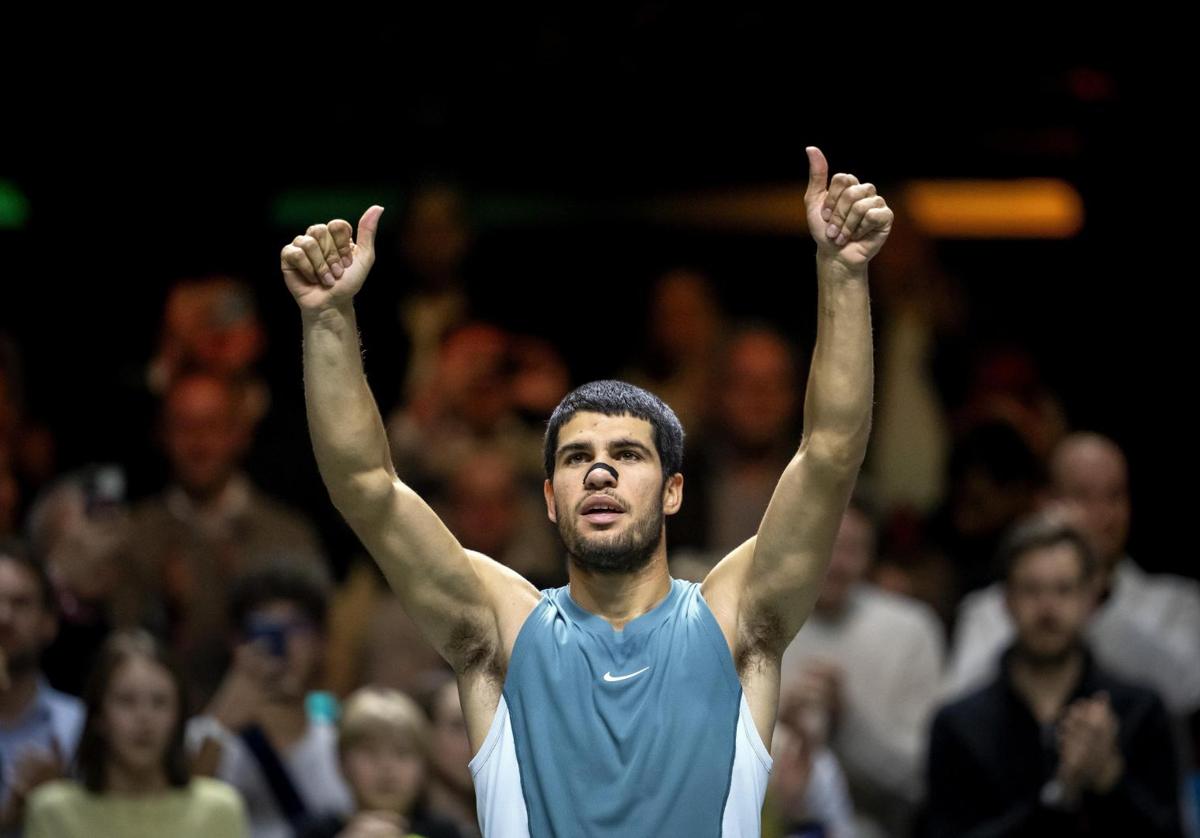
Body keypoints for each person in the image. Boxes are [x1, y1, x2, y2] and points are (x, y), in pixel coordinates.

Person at [281, 146, 889, 837]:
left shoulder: (735, 622)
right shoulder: (499, 631)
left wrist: (842, 274)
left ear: (674, 492)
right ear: (548, 499)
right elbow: (367, 487)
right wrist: (328, 317)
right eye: (576, 458)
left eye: (627, 454)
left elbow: (831, 453)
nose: (600, 471)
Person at [925, 515, 1182, 837]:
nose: (1047, 608)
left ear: (1091, 599)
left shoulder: (1139, 711)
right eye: (1031, 590)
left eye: (1064, 590)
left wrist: (1109, 778)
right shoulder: (958, 724)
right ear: (1006, 601)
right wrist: (1059, 795)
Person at [23, 630, 247, 838]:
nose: (144, 718)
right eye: (126, 701)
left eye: (159, 702)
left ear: (178, 717)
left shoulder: (219, 809)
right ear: (99, 716)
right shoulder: (52, 811)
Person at [0, 542, 84, 835]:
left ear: (48, 623)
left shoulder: (82, 727)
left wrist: (68, 796)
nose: (4, 618)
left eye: (20, 603)